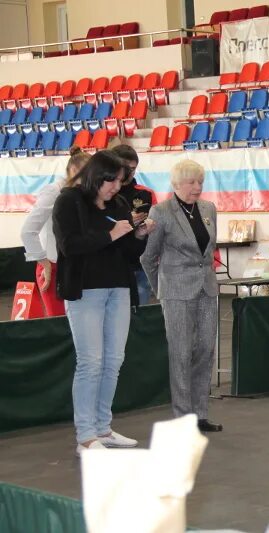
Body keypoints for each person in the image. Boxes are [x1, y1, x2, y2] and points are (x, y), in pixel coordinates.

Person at [52, 150, 156, 455]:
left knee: (114, 360)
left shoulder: (120, 203)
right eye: (112, 181)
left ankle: (102, 427)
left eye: (120, 182)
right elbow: (69, 245)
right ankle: (85, 436)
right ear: (97, 176)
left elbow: (127, 253)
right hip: (85, 291)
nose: (116, 188)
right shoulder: (69, 200)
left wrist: (139, 237)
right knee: (90, 362)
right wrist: (110, 234)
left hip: (118, 289)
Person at [140, 160, 221, 433]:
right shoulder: (160, 212)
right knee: (181, 353)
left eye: (200, 181)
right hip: (175, 292)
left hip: (207, 289)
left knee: (205, 350)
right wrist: (162, 289)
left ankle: (200, 414)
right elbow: (148, 258)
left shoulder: (209, 209)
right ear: (176, 185)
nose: (197, 187)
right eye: (191, 182)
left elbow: (207, 253)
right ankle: (182, 417)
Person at [20, 147, 91, 317]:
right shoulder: (53, 191)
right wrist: (44, 262)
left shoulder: (85, 194)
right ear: (73, 171)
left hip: (78, 266)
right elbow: (28, 231)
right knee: (62, 327)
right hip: (53, 268)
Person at [111, 144, 158, 305]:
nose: (129, 173)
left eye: (133, 168)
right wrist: (125, 221)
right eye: (126, 168)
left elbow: (155, 227)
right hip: (112, 264)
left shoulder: (146, 194)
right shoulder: (104, 193)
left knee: (139, 317)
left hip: (139, 264)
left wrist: (147, 227)